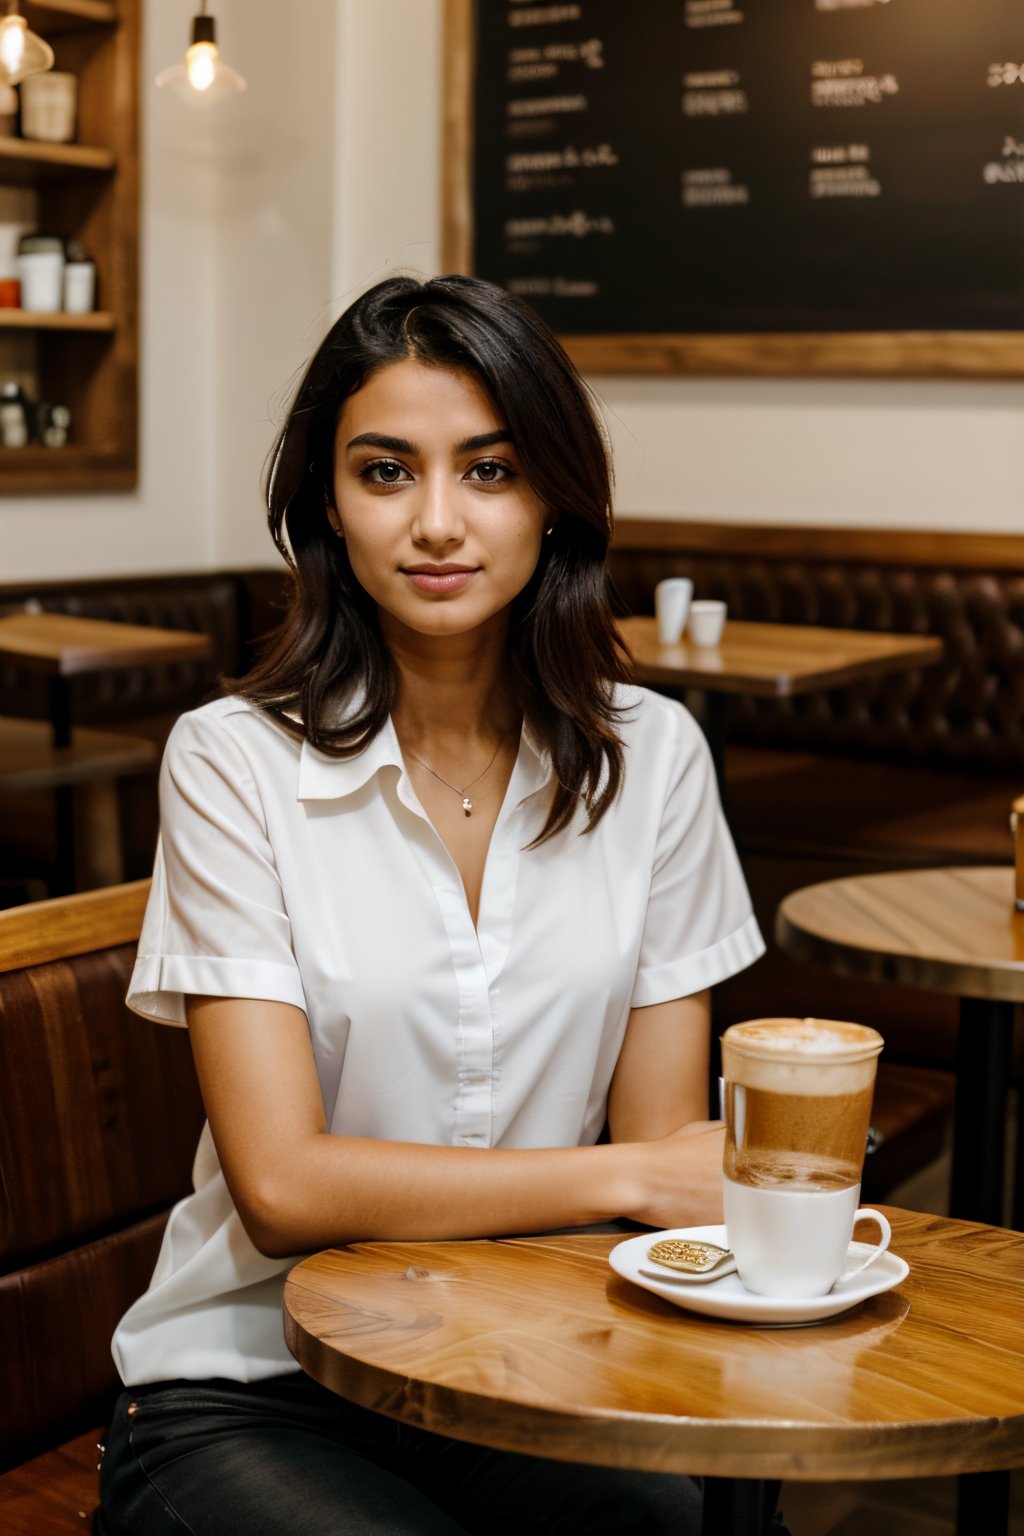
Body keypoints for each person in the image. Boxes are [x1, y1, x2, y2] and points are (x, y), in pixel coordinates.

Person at [99, 273, 765, 1536]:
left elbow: (668, 1175)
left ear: (556, 497)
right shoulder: (231, 760)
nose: (439, 523)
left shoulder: (655, 757)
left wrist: (651, 1175)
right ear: (327, 506)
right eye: (387, 471)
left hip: (543, 1364)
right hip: (256, 1380)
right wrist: (630, 1171)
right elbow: (285, 1187)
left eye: (491, 469)